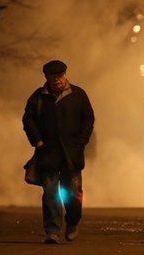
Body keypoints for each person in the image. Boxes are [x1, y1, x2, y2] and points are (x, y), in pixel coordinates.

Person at [22, 60, 95, 244]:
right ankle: (52, 230)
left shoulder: (78, 95)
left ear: (65, 75)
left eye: (60, 76)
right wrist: (38, 142)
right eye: (53, 77)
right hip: (48, 154)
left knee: (74, 193)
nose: (57, 80)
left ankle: (72, 222)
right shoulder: (38, 98)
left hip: (72, 155)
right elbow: (28, 120)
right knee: (50, 193)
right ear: (46, 77)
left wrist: (81, 142)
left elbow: (88, 119)